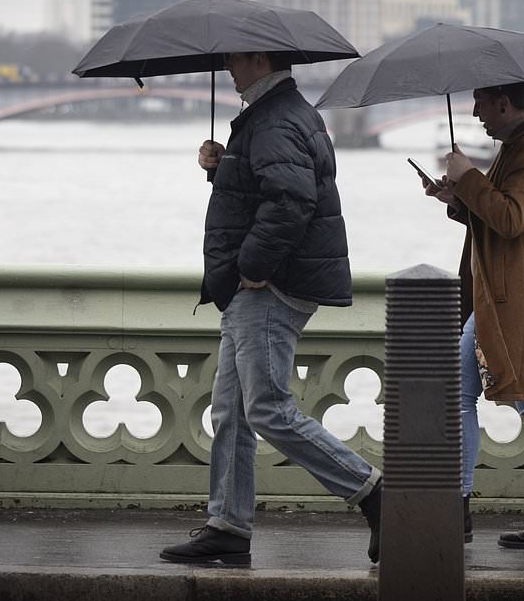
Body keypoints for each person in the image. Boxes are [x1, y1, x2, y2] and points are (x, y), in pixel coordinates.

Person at [160, 52, 382, 565]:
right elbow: (267, 192)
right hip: (258, 285)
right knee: (232, 411)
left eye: (235, 58)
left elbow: (292, 199)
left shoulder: (275, 117)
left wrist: (251, 266)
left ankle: (374, 493)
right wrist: (224, 169)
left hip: (267, 286)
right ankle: (228, 526)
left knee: (266, 409)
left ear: (260, 59)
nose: (228, 67)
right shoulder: (278, 113)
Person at [423, 81, 524, 550]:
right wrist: (455, 197)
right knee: (461, 392)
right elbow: (497, 218)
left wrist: (469, 177)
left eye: (481, 103)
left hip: (518, 302)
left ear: (504, 103)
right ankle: (460, 507)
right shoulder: (516, 147)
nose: (475, 113)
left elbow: (512, 219)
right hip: (500, 298)